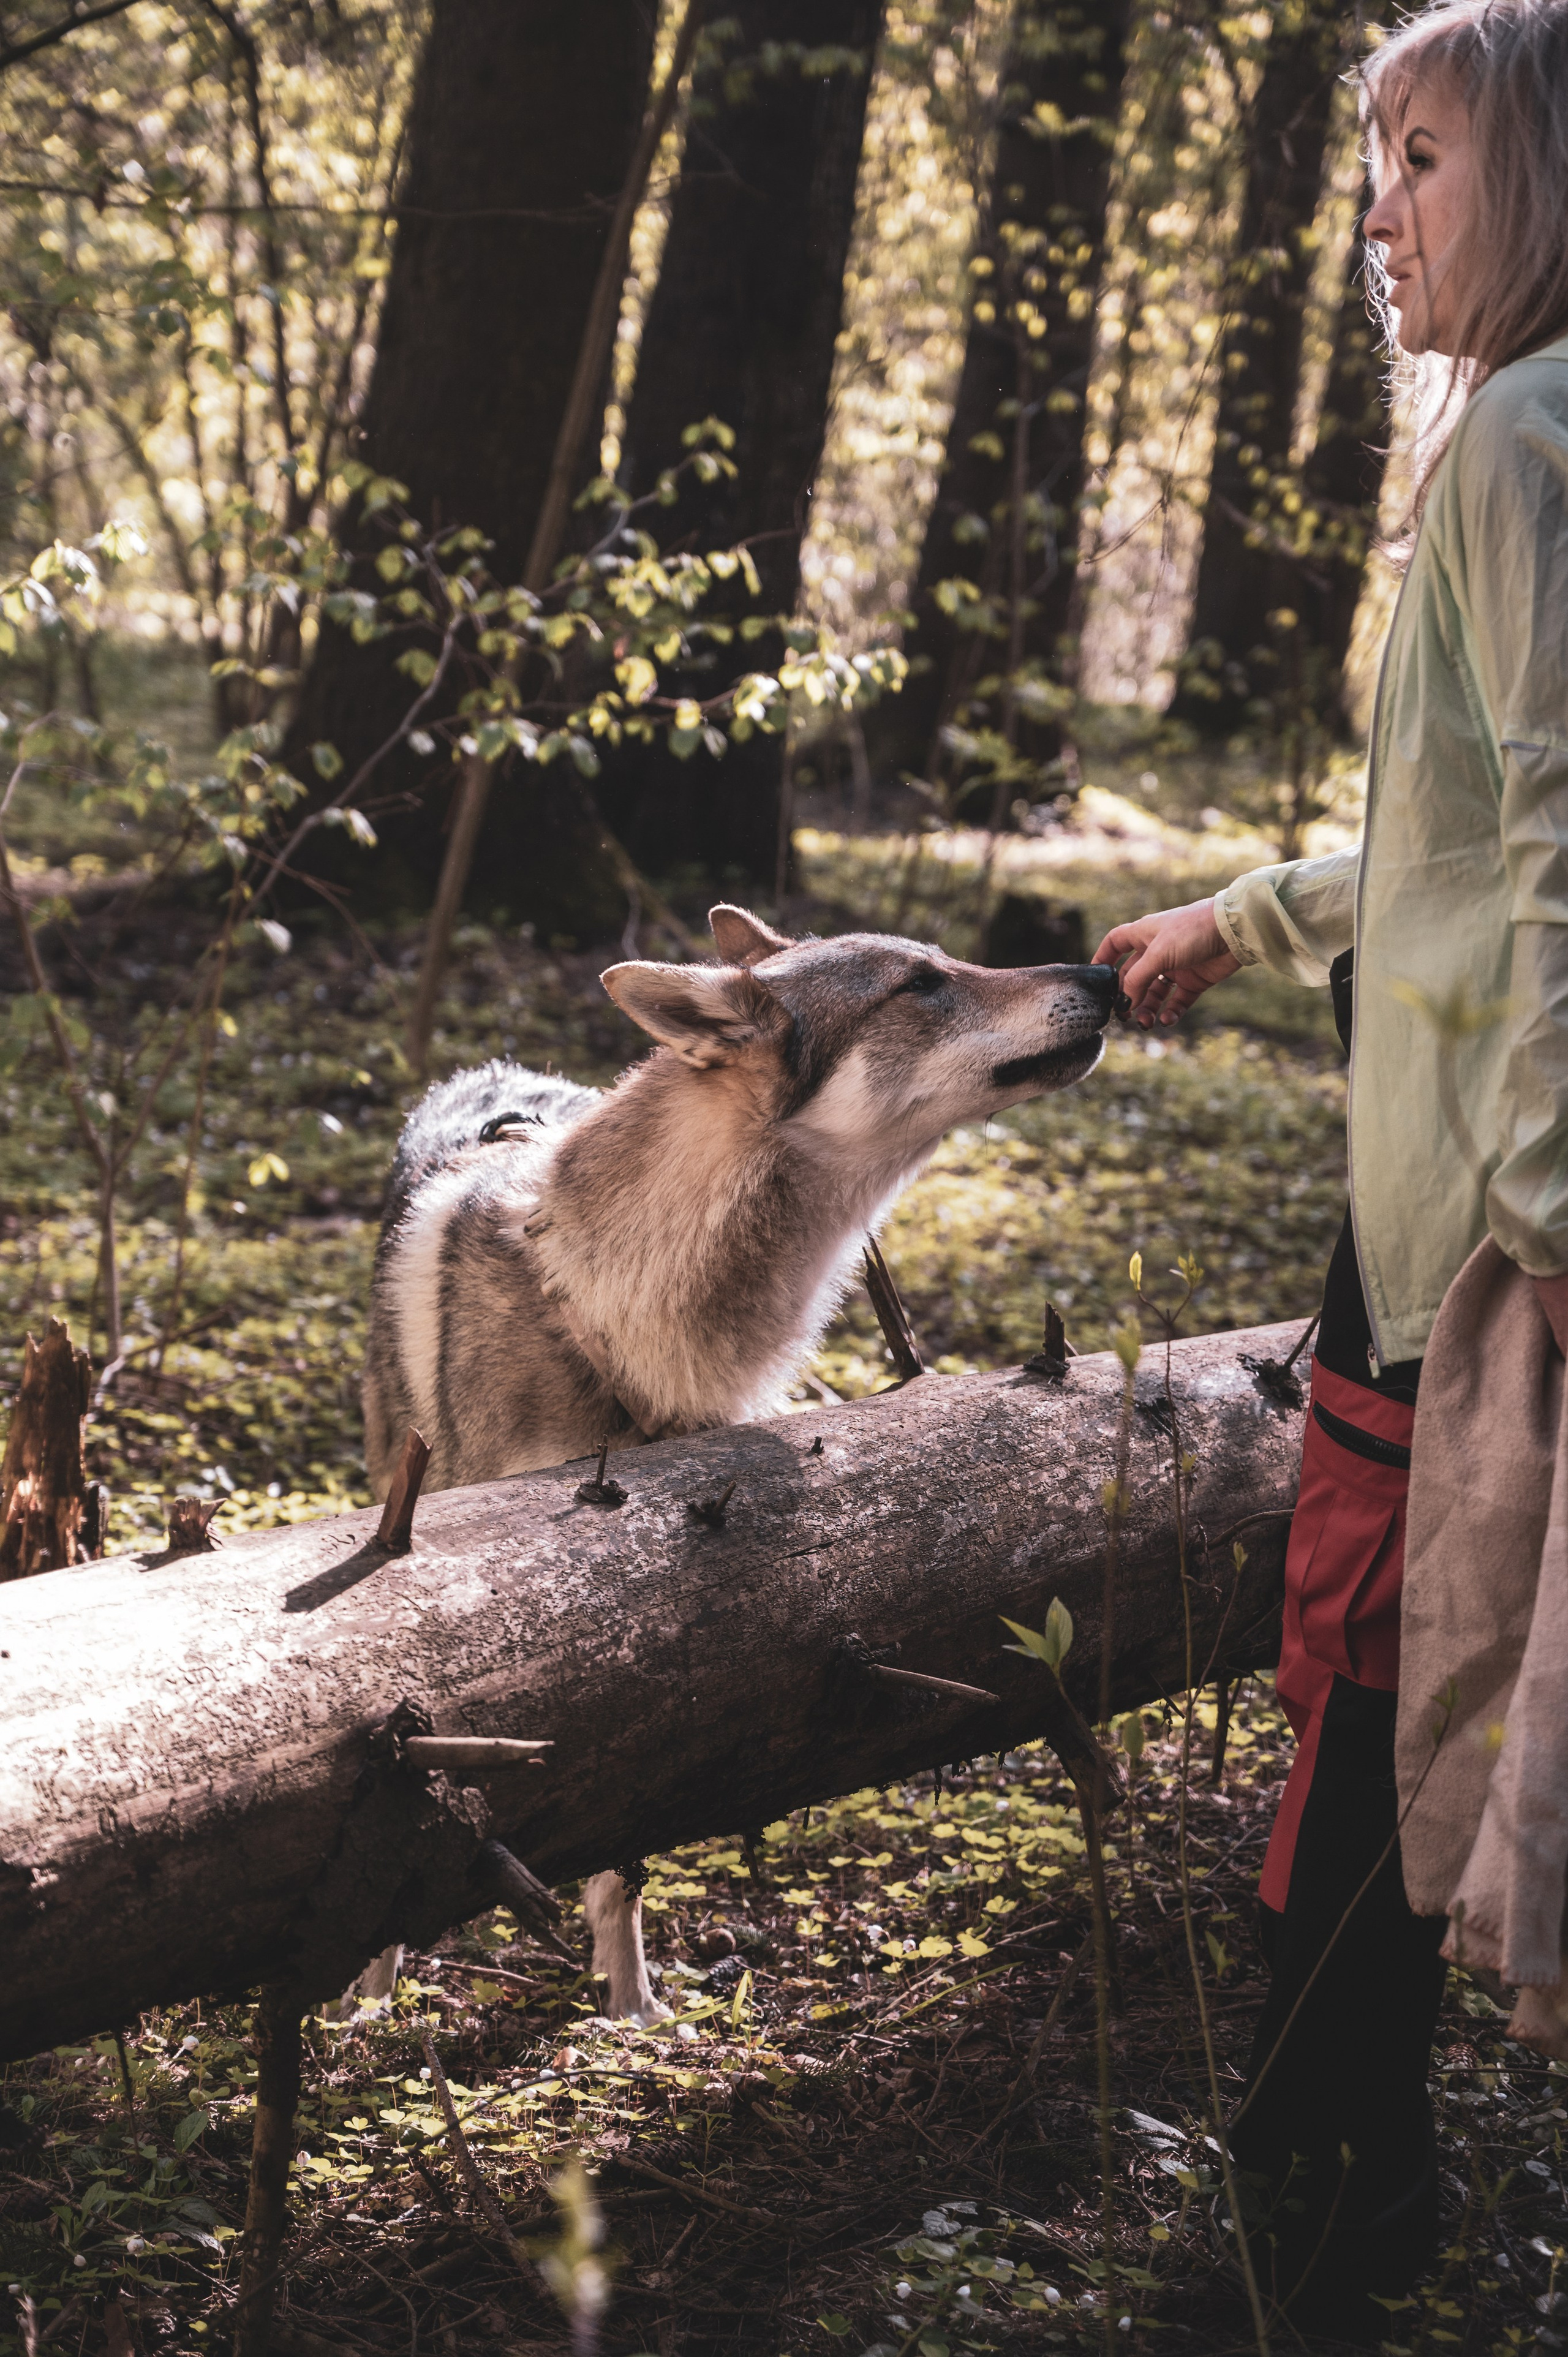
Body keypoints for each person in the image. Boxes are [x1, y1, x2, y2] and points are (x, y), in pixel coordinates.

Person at [1095, 0, 1568, 2335]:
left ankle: (1319, 2224)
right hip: (1486, 1210)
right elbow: (1450, 841)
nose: (1382, 208)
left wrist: (1554, 1234)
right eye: (1373, 159)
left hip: (1473, 1244)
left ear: (1550, 178)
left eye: (1428, 159)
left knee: (1362, 1707)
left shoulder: (1517, 454)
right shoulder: (1529, 443)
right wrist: (1239, 918)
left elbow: (1564, 870)